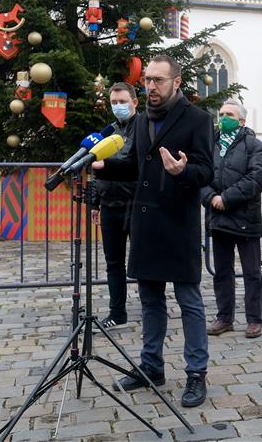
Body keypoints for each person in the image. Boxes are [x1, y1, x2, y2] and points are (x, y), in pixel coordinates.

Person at [93, 54, 214, 408]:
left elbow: (207, 171)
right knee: (149, 301)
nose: (150, 86)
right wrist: (100, 165)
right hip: (145, 223)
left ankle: (196, 373)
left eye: (158, 80)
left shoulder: (198, 119)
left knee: (189, 301)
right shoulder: (143, 119)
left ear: (176, 82)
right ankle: (151, 366)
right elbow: (132, 162)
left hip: (178, 222)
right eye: (147, 80)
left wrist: (182, 172)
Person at [202, 98, 262, 339]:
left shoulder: (254, 145)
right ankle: (224, 317)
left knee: (251, 272)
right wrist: (210, 197)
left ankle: (254, 319)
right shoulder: (213, 145)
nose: (223, 118)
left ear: (241, 120)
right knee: (222, 271)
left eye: (229, 114)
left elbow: (255, 179)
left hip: (245, 218)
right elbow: (202, 176)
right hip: (218, 218)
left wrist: (226, 198)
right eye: (221, 114)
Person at [91, 82, 139, 332]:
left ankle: (153, 310)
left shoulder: (143, 128)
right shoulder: (107, 131)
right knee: (113, 262)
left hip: (137, 204)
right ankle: (117, 312)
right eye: (114, 103)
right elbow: (96, 165)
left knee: (143, 260)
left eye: (122, 102)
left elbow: (135, 164)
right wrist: (95, 203)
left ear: (134, 102)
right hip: (109, 203)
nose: (118, 107)